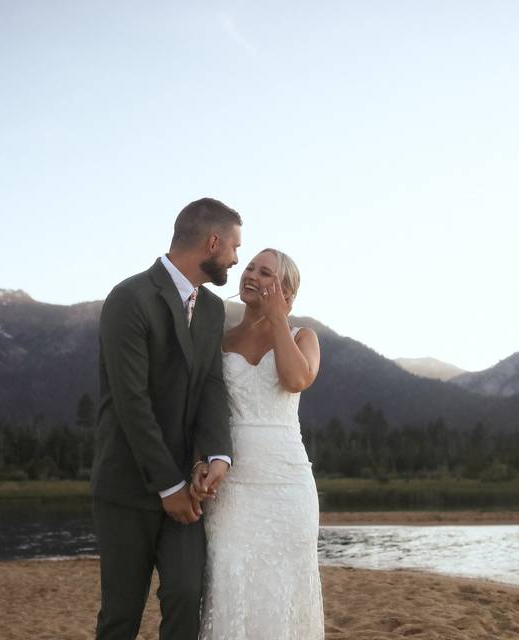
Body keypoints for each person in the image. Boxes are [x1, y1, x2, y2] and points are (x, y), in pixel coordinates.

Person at [90, 197, 241, 640]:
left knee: (185, 595)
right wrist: (168, 486)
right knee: (121, 615)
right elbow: (130, 402)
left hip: (187, 492)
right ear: (212, 242)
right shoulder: (129, 298)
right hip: (126, 487)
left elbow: (212, 385)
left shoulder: (212, 310)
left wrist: (218, 455)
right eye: (234, 246)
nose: (235, 258)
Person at [195, 248, 325, 639]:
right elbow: (204, 407)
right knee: (228, 577)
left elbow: (296, 379)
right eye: (249, 267)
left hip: (287, 484)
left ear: (285, 290)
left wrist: (278, 321)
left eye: (265, 272)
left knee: (285, 584)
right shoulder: (218, 339)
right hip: (232, 483)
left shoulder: (304, 335)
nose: (251, 274)